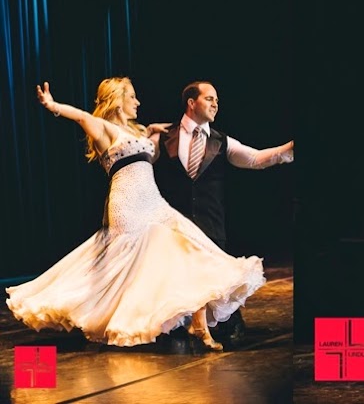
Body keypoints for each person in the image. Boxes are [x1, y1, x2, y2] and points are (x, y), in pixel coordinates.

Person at [5, 78, 266, 351]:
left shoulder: (136, 131)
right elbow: (82, 117)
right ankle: (164, 321)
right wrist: (54, 106)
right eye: (132, 97)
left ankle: (198, 322)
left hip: (154, 202)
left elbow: (144, 146)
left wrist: (150, 131)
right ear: (117, 100)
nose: (138, 102)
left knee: (193, 249)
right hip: (128, 204)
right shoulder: (104, 129)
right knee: (135, 265)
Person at [151, 81, 293, 345]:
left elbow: (255, 158)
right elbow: (140, 161)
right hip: (174, 222)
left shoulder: (220, 141)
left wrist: (289, 149)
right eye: (209, 98)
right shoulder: (164, 135)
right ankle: (178, 325)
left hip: (209, 220)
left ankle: (225, 322)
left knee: (211, 277)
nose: (215, 104)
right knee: (176, 276)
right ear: (191, 103)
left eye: (217, 99)